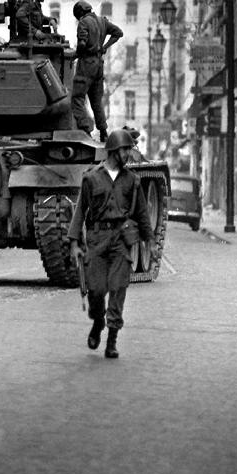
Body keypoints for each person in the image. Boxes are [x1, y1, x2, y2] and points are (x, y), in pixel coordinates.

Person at [67, 129, 154, 359]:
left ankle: (112, 340)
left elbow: (142, 213)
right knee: (96, 290)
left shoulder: (132, 180)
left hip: (120, 240)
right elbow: (80, 210)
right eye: (125, 150)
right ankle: (98, 322)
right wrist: (74, 242)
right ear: (114, 151)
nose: (128, 154)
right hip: (97, 239)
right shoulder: (91, 178)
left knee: (118, 288)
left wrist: (150, 241)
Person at [70, 0, 124, 142]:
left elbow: (82, 44)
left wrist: (76, 54)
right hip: (99, 64)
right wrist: (104, 47)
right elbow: (118, 33)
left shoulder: (84, 23)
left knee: (77, 98)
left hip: (87, 64)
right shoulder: (102, 21)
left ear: (80, 13)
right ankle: (103, 132)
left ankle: (85, 130)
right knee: (96, 100)